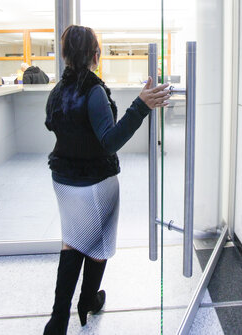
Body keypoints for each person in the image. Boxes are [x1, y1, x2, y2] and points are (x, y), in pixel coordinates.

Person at [43, 25, 169, 335]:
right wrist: (141, 106)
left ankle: (58, 321)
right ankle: (87, 301)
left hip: (63, 179)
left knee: (72, 242)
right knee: (97, 245)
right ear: (95, 55)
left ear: (65, 56)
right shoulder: (94, 91)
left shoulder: (58, 90)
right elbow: (109, 141)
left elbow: (50, 123)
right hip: (96, 183)